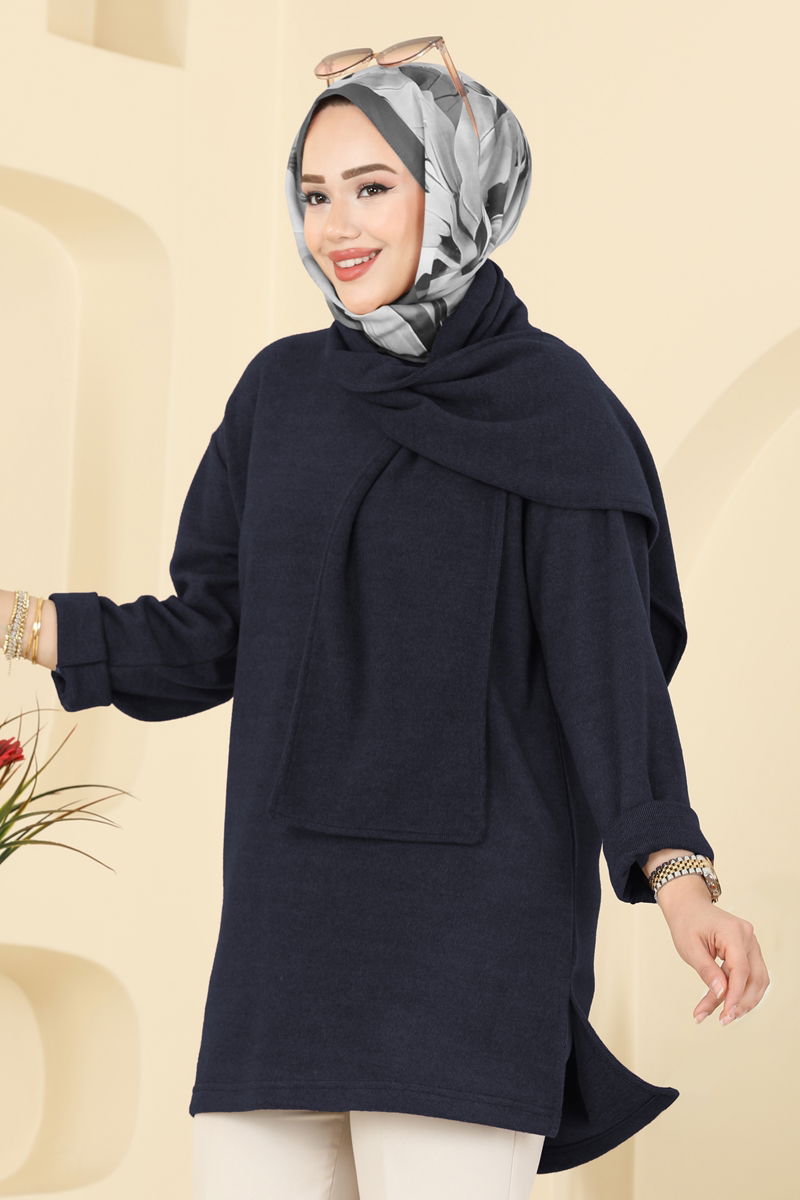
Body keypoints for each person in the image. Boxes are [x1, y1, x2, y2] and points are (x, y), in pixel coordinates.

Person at [3, 43, 770, 1200]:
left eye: (372, 186)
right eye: (314, 194)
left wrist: (678, 878)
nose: (336, 227)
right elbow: (208, 634)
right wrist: (15, 621)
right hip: (286, 929)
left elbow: (606, 675)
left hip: (473, 937)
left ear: (459, 194)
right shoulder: (280, 396)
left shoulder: (553, 409)